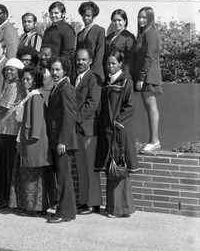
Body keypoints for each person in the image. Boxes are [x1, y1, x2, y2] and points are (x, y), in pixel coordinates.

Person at [95, 51, 138, 218]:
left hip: (119, 131)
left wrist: (117, 123)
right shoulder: (106, 83)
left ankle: (121, 208)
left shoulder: (126, 82)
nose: (110, 66)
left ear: (121, 64)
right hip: (106, 131)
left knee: (119, 167)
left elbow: (130, 107)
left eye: (113, 63)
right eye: (108, 63)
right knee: (110, 168)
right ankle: (113, 207)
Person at [9, 67, 55, 215]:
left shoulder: (35, 96)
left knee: (33, 177)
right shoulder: (32, 95)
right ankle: (32, 207)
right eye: (23, 79)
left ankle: (35, 208)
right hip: (27, 138)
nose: (25, 81)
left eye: (28, 79)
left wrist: (28, 141)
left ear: (35, 80)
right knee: (31, 176)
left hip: (32, 142)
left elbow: (34, 123)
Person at [45, 57, 77, 223]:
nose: (54, 73)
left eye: (58, 69)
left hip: (63, 141)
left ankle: (64, 213)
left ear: (65, 70)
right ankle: (66, 210)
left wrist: (62, 141)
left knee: (64, 178)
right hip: (57, 139)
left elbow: (69, 116)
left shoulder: (66, 88)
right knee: (62, 177)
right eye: (52, 69)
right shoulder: (56, 87)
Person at [0, 58, 26, 209]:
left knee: (7, 166)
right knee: (4, 166)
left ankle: (7, 199)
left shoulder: (15, 85)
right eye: (7, 69)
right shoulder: (9, 85)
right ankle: (4, 198)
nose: (9, 72)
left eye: (12, 69)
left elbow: (4, 108)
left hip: (9, 131)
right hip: (4, 130)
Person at [72, 49, 102, 215]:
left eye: (84, 60)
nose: (80, 62)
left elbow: (92, 103)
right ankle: (83, 201)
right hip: (77, 129)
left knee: (91, 169)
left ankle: (94, 203)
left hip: (89, 129)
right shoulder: (75, 78)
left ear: (90, 61)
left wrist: (76, 118)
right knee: (81, 168)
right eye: (78, 59)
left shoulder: (93, 78)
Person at [135, 7, 162, 153]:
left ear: (150, 18)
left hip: (149, 76)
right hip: (146, 75)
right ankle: (153, 140)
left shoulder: (150, 33)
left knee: (151, 106)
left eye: (144, 17)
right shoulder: (145, 32)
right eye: (139, 17)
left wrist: (141, 77)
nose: (141, 20)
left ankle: (154, 141)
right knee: (149, 107)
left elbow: (149, 56)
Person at [77, 1, 105, 81]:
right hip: (82, 71)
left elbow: (100, 53)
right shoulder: (80, 33)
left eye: (88, 16)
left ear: (93, 16)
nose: (85, 18)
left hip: (95, 74)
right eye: (83, 15)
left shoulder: (99, 30)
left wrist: (92, 73)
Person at [104, 9, 136, 76]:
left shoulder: (128, 37)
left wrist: (126, 76)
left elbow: (131, 60)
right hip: (108, 73)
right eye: (114, 20)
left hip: (121, 73)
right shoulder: (109, 37)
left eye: (119, 20)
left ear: (125, 21)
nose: (116, 23)